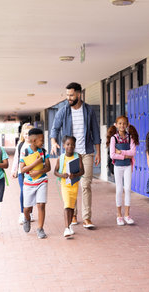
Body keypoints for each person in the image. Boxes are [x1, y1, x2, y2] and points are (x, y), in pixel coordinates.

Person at [50, 82, 101, 229]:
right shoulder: (63, 110)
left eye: (71, 95)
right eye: (67, 95)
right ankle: (73, 214)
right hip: (70, 155)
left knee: (86, 185)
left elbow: (95, 131)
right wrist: (53, 142)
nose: (69, 98)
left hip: (87, 152)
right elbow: (55, 128)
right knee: (72, 184)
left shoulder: (89, 110)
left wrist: (98, 152)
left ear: (79, 94)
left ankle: (87, 218)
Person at [107, 116, 139, 226]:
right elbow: (112, 155)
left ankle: (127, 215)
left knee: (128, 189)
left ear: (127, 125)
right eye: (120, 123)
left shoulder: (130, 138)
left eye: (124, 123)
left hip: (128, 167)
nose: (122, 125)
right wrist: (125, 156)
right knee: (119, 189)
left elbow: (133, 152)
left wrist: (120, 152)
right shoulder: (114, 139)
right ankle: (119, 215)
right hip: (118, 167)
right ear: (116, 124)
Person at [19, 128, 51, 239]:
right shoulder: (25, 151)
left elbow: (48, 167)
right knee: (26, 208)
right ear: (33, 141)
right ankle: (26, 219)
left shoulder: (44, 151)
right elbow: (22, 170)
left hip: (42, 181)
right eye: (41, 140)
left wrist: (39, 171)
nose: (42, 142)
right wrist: (36, 163)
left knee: (41, 205)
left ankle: (40, 228)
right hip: (29, 183)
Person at [54, 135, 85, 238]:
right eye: (68, 144)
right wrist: (62, 175)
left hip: (74, 184)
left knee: (71, 206)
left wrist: (75, 175)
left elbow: (82, 171)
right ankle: (66, 228)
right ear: (63, 145)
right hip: (65, 185)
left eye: (72, 144)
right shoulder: (61, 158)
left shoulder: (78, 156)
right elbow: (55, 171)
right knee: (67, 205)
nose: (70, 146)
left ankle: (70, 225)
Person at [11, 123, 34, 225]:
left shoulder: (35, 145)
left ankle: (30, 212)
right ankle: (22, 213)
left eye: (29, 134)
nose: (27, 136)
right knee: (23, 191)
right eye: (25, 134)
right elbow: (16, 158)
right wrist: (14, 170)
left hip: (33, 173)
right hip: (21, 173)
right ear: (22, 134)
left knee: (31, 192)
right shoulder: (20, 145)